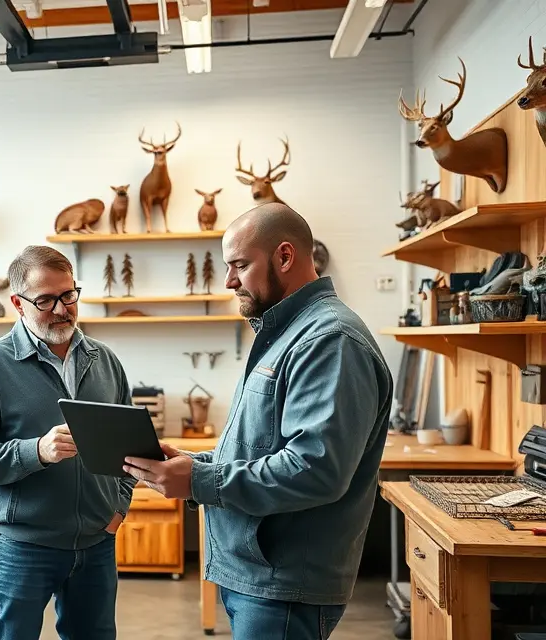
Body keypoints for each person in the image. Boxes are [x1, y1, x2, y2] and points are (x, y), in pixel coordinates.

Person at [123, 203, 393, 640]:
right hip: (257, 576)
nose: (228, 280)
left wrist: (198, 482)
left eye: (240, 265)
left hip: (284, 586)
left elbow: (315, 470)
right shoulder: (286, 333)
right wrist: (196, 464)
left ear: (285, 257)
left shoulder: (329, 341)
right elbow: (263, 446)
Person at [0, 245, 136, 640]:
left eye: (69, 295)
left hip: (97, 542)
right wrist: (36, 451)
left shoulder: (105, 361)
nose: (62, 309)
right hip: (23, 546)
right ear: (17, 303)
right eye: (45, 300)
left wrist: (118, 508)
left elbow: (129, 447)